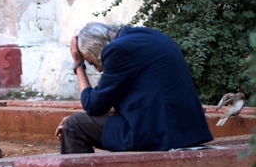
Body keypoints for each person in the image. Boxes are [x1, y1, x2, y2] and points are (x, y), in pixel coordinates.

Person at [55, 22, 213, 153]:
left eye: (92, 62)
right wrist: (89, 119)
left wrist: (78, 65)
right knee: (79, 121)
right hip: (186, 131)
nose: (99, 69)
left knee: (73, 126)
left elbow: (92, 105)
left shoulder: (117, 50)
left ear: (97, 45)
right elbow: (129, 100)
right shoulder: (149, 37)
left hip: (158, 135)